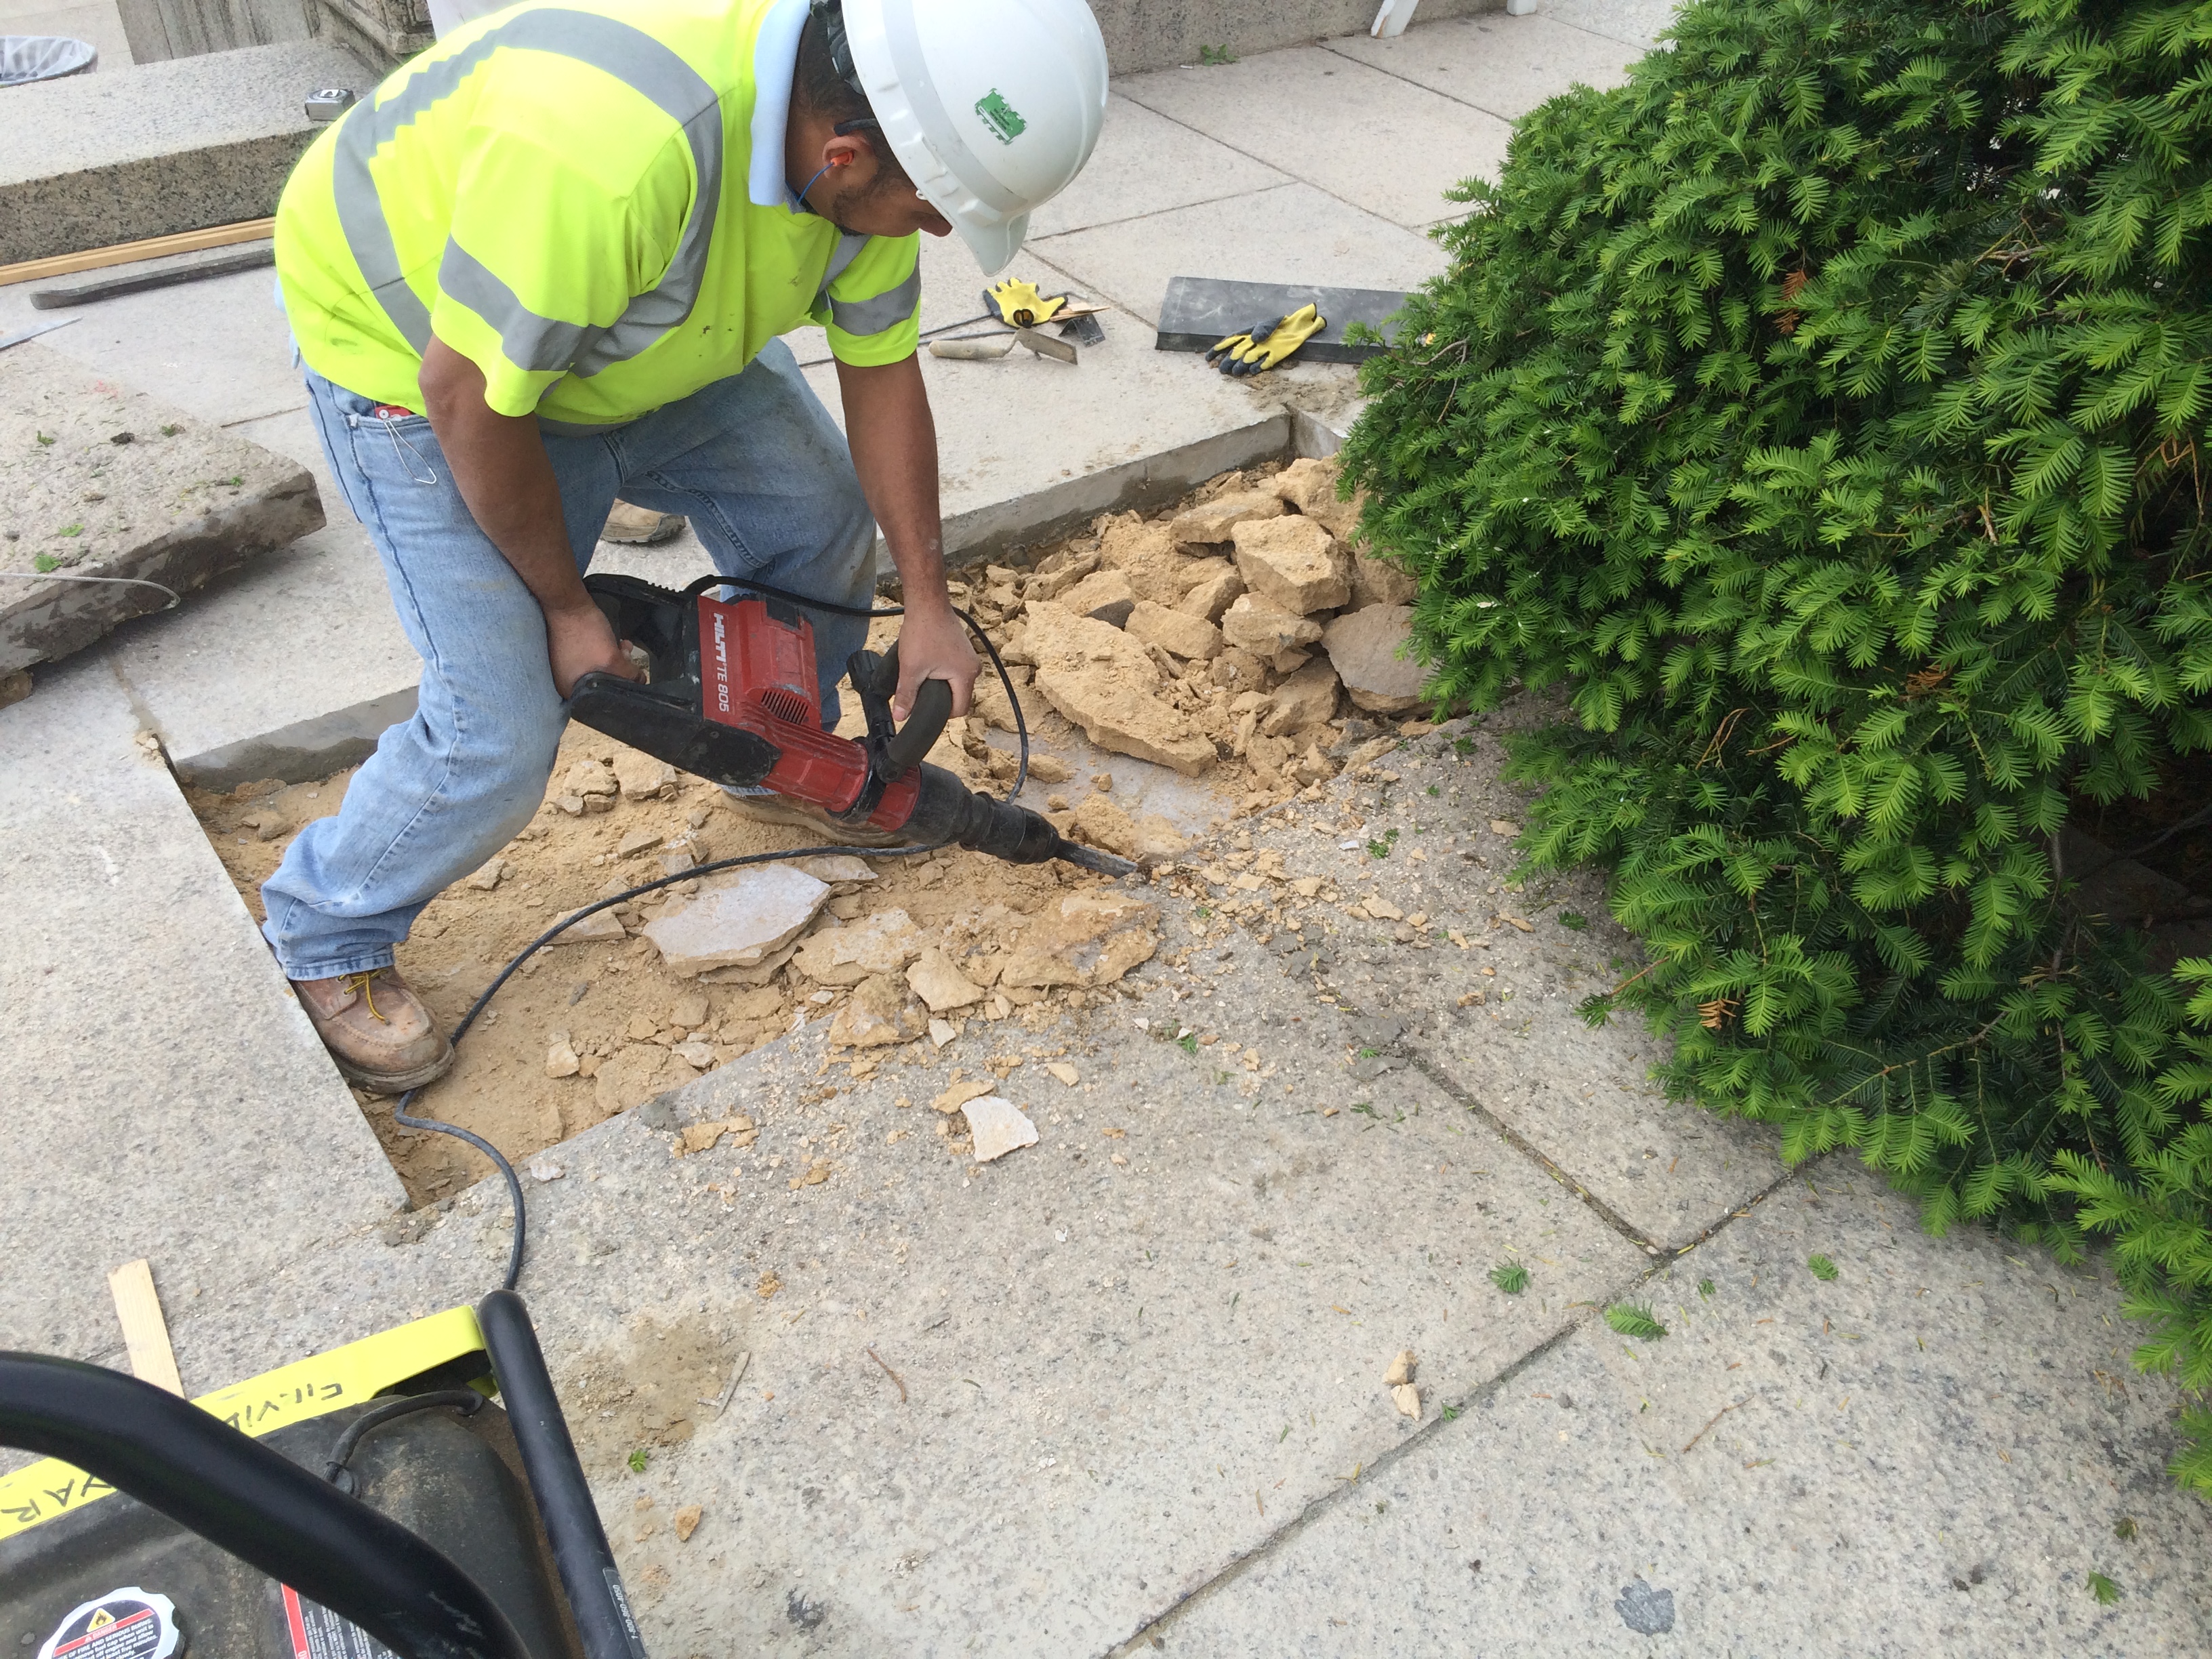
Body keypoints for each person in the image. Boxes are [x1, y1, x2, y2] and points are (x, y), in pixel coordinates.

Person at [263, 0, 1107, 1090]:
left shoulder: (847, 161)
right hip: (422, 360)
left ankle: (771, 748)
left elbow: (883, 371)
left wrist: (931, 604)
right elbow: (470, 394)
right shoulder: (610, 155)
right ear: (840, 157)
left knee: (816, 520)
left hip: (633, 326)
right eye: (933, 209)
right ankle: (328, 926)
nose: (939, 233)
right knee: (503, 726)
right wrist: (570, 610)